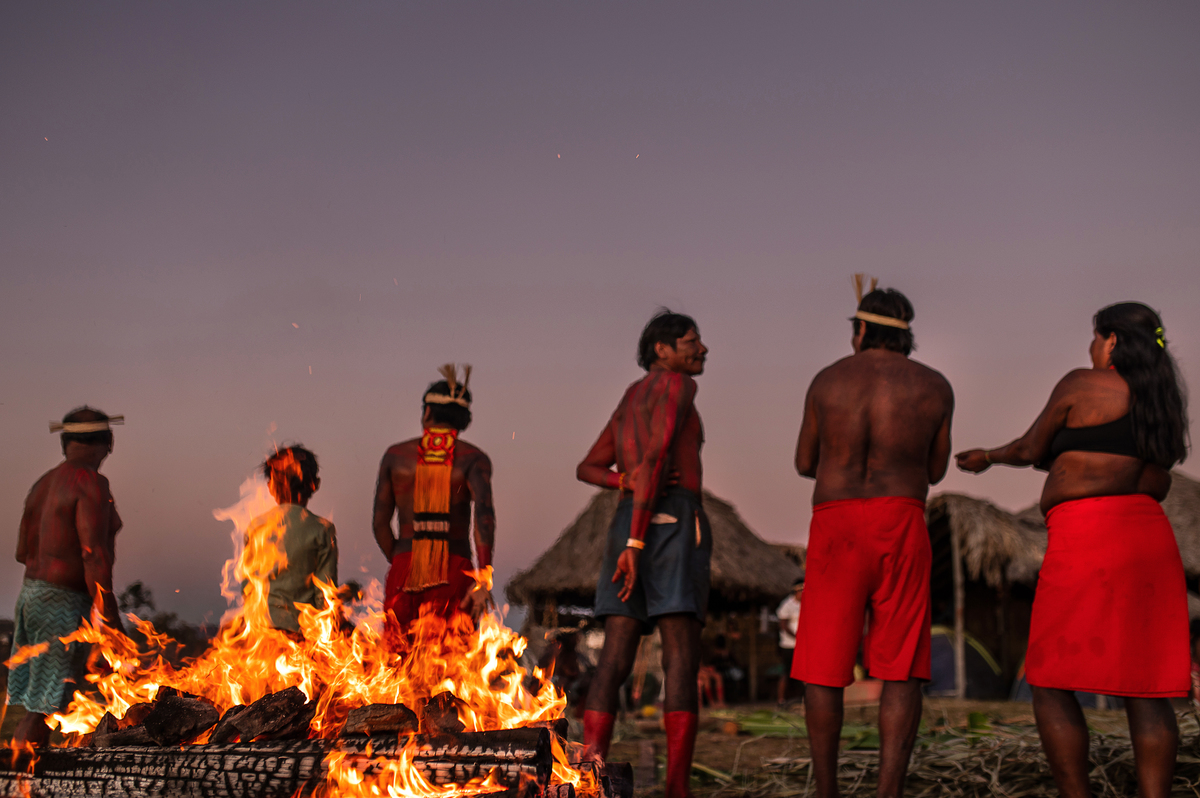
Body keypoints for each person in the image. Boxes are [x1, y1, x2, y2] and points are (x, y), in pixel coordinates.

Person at [957, 302, 1189, 798]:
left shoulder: (1083, 383)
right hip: (1148, 536)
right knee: (1147, 686)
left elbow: (1028, 448)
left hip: (1088, 536)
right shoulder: (1163, 402)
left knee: (1049, 677)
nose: (1090, 348)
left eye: (1095, 338)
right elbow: (1141, 467)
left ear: (1111, 341)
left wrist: (988, 456)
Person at [792, 277, 953, 798]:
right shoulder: (934, 386)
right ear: (906, 336)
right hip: (899, 520)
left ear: (860, 330)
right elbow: (935, 470)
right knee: (901, 669)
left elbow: (804, 462)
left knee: (823, 669)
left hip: (835, 523)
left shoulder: (827, 381)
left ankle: (827, 792)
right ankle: (888, 793)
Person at [576, 309, 710, 798]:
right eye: (692, 342)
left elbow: (588, 467)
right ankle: (677, 790)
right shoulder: (677, 385)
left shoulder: (629, 398)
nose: (703, 349)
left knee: (613, 657)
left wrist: (622, 482)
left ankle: (589, 780)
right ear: (663, 350)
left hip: (628, 518)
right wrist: (637, 541)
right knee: (680, 659)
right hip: (668, 520)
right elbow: (657, 453)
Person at [7, 407, 127, 746]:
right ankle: (22, 771)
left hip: (31, 597)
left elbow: (21, 552)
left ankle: (23, 765)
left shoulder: (42, 484)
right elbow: (93, 554)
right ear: (108, 442)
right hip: (61, 602)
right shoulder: (90, 482)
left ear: (65, 443)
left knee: (41, 702)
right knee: (46, 707)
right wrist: (108, 616)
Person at [373, 365, 495, 643]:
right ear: (464, 420)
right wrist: (483, 579)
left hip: (404, 570)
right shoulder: (474, 459)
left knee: (396, 661)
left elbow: (380, 524)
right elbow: (484, 520)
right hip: (455, 570)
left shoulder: (395, 456)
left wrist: (404, 560)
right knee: (452, 662)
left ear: (427, 412)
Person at [242, 445, 338, 636]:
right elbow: (325, 594)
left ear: (270, 487)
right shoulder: (321, 529)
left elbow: (248, 588)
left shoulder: (256, 527)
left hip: (260, 631)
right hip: (300, 632)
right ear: (315, 484)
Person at [775, 576, 804, 706]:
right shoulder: (787, 604)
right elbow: (783, 625)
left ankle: (802, 698)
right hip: (788, 645)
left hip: (801, 645)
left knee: (802, 673)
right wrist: (797, 637)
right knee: (786, 673)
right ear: (796, 591)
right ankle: (781, 700)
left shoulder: (805, 604)